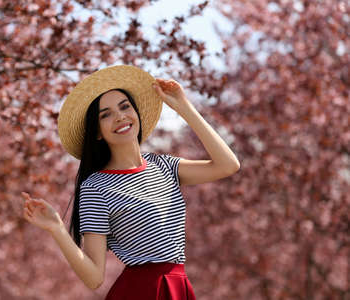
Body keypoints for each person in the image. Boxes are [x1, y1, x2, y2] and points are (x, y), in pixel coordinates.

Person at [22, 65, 240, 299]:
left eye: (125, 107)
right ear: (97, 132)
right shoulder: (95, 188)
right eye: (105, 114)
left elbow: (228, 165)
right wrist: (57, 228)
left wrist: (183, 107)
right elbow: (94, 277)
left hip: (178, 286)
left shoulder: (164, 166)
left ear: (136, 113)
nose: (120, 116)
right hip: (141, 291)